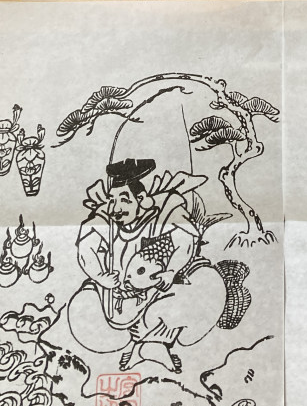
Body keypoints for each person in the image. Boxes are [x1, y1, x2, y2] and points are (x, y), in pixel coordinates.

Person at [70, 157, 242, 372]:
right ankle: (135, 344)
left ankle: (155, 344)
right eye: (112, 200)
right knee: (81, 309)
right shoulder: (106, 215)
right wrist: (99, 276)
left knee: (208, 282)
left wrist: (171, 271)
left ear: (141, 198)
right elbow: (86, 246)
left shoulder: (167, 207)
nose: (116, 208)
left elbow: (185, 240)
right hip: (116, 298)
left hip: (163, 292)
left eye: (124, 200)